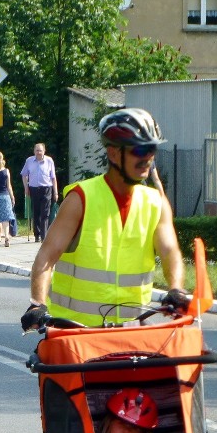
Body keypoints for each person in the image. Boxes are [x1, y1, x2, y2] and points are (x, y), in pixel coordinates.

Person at [22, 108, 186, 330]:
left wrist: (176, 289)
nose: (148, 157)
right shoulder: (80, 199)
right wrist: (37, 304)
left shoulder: (156, 202)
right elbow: (47, 256)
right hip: (75, 333)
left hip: (131, 331)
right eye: (140, 149)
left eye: (152, 149)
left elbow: (169, 251)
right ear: (114, 154)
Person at [20, 143, 59, 242]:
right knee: (36, 212)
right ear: (34, 151)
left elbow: (53, 178)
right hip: (33, 189)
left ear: (44, 151)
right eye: (37, 150)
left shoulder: (49, 161)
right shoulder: (29, 161)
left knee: (45, 213)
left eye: (40, 150)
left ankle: (44, 236)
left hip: (46, 188)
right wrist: (26, 187)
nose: (38, 152)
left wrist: (56, 192)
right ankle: (36, 235)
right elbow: (24, 174)